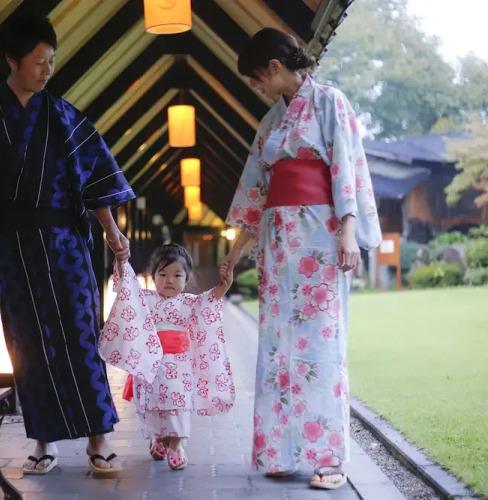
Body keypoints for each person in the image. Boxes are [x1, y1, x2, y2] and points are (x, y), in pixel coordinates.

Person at [0, 16, 135, 475]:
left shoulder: (63, 116)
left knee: (82, 340)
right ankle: (43, 443)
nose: (47, 70)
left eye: (52, 61)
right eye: (39, 61)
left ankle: (99, 440)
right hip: (13, 247)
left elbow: (94, 179)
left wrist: (111, 229)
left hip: (66, 246)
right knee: (27, 345)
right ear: (12, 59)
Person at [220, 28, 382, 489]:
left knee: (321, 347)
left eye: (256, 77)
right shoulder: (270, 122)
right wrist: (233, 254)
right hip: (277, 243)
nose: (256, 87)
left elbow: (345, 166)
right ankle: (281, 451)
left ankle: (328, 459)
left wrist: (347, 231)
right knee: (277, 346)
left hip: (319, 237)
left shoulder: (330, 102)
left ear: (274, 67)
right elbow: (255, 191)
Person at [99, 244, 235, 471]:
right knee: (154, 406)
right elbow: (127, 287)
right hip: (151, 363)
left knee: (178, 405)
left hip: (180, 365)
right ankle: (158, 439)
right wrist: (122, 261)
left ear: (187, 278)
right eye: (162, 274)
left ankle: (176, 446)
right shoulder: (145, 299)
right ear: (152, 276)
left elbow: (210, 300)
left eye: (177, 275)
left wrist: (224, 285)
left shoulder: (189, 302)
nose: (169, 280)